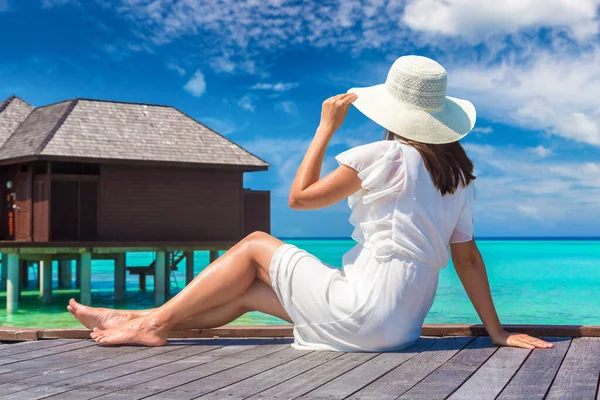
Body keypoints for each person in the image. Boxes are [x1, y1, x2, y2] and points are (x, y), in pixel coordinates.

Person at [68, 55, 552, 352]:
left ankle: (149, 323)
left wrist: (325, 128)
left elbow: (299, 199)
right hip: (401, 325)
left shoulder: (380, 155)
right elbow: (466, 257)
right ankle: (131, 321)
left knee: (256, 245)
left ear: (392, 110)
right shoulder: (458, 176)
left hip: (364, 310)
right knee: (245, 293)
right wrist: (497, 332)